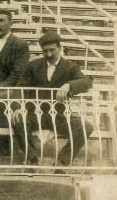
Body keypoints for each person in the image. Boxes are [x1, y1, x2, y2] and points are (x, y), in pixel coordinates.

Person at [12, 29, 93, 166]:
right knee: (17, 120)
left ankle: (63, 161)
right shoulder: (33, 66)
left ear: (60, 48)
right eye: (45, 51)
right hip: (34, 113)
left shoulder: (70, 67)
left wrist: (68, 85)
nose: (48, 54)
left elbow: (86, 82)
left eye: (52, 50)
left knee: (86, 127)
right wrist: (18, 107)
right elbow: (19, 88)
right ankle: (32, 159)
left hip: (59, 115)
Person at [0, 9, 30, 88]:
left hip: (10, 91)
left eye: (1, 20)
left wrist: (2, 89)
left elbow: (18, 72)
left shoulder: (20, 44)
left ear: (11, 24)